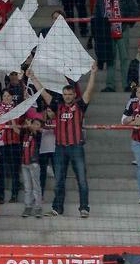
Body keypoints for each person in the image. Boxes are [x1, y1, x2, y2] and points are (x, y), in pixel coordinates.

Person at [28, 61, 98, 218]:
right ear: (63, 95)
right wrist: (32, 77)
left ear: (74, 95)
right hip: (59, 148)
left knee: (81, 179)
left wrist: (93, 74)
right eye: (65, 95)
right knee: (59, 180)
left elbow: (89, 91)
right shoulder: (56, 105)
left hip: (76, 147)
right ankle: (57, 208)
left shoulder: (80, 106)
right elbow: (43, 92)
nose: (67, 97)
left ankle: (84, 208)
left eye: (70, 95)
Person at [92, 0, 139, 92]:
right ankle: (110, 85)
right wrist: (98, 29)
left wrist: (128, 23)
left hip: (122, 29)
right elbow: (96, 12)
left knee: (124, 58)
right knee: (110, 59)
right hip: (107, 31)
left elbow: (134, 8)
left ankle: (127, 85)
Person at [0, 90, 23, 204]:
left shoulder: (17, 109)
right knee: (0, 171)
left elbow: (18, 128)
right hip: (1, 144)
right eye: (4, 96)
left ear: (12, 97)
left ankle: (14, 194)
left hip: (14, 143)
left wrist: (11, 117)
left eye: (8, 96)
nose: (6, 98)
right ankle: (1, 196)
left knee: (14, 170)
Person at [20, 112, 45, 218]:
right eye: (33, 123)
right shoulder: (25, 133)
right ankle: (28, 206)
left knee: (36, 186)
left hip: (34, 163)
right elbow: (17, 130)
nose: (34, 125)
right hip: (24, 163)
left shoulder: (38, 134)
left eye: (37, 124)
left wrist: (30, 125)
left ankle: (38, 208)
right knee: (27, 186)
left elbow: (35, 131)